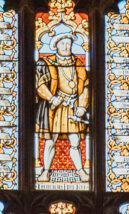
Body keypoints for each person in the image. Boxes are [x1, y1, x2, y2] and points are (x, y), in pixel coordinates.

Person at [35, 33, 88, 181]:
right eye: (63, 43)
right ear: (56, 45)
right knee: (51, 141)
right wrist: (51, 98)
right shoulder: (45, 62)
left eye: (69, 43)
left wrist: (82, 106)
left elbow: (85, 86)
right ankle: (45, 171)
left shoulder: (78, 63)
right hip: (54, 108)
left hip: (72, 107)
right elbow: (39, 84)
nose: (66, 47)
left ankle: (81, 171)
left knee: (75, 141)